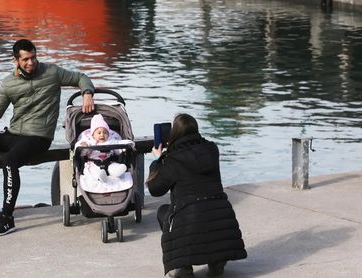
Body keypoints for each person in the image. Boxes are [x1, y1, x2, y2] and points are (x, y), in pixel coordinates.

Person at [0, 39, 95, 236]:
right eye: (25, 59)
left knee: (10, 162)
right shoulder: (9, 83)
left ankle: (7, 218)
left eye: (33, 57)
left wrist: (87, 93)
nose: (31, 62)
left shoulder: (51, 72)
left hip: (38, 137)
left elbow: (81, 77)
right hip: (14, 133)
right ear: (16, 60)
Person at [147, 113, 247, 277]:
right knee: (206, 214)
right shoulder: (212, 149)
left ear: (175, 134)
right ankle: (217, 261)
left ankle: (183, 266)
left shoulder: (172, 159)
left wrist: (158, 161)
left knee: (163, 212)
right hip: (221, 216)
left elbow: (155, 189)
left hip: (189, 218)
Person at [74, 114, 128, 179]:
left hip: (109, 162)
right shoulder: (89, 142)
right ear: (93, 135)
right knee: (93, 171)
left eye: (105, 133)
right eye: (99, 133)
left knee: (113, 167)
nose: (102, 135)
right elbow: (81, 152)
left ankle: (117, 171)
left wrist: (123, 148)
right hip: (93, 163)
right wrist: (84, 146)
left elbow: (119, 148)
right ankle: (101, 177)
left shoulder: (111, 141)